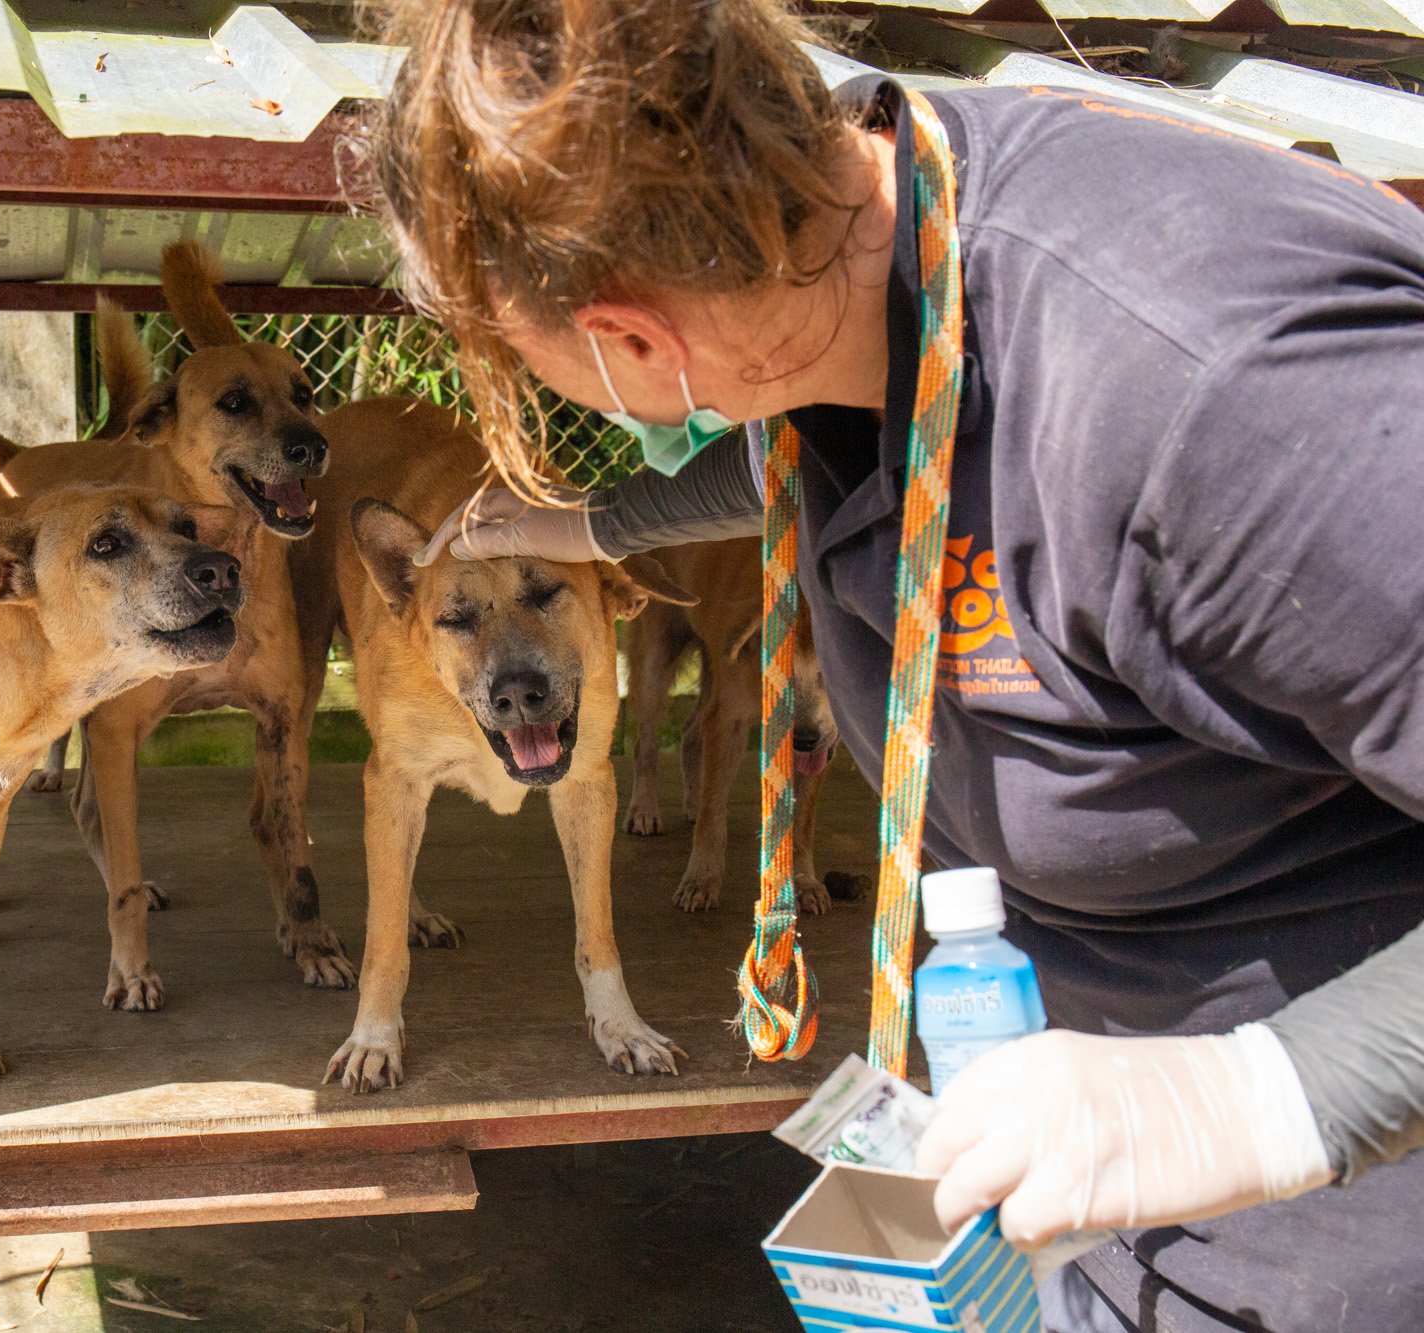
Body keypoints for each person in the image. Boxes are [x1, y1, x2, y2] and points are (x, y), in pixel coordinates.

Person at [360, 2, 1424, 1329]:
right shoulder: (852, 269)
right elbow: (772, 464)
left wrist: (1265, 1094)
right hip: (1119, 1215)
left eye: (534, 375)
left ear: (637, 344)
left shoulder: (1205, 390)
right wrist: (569, 525)